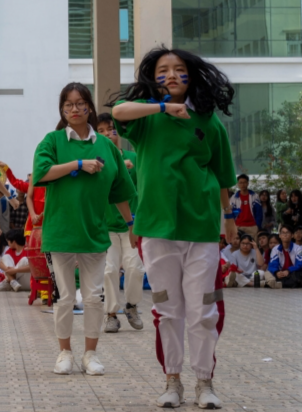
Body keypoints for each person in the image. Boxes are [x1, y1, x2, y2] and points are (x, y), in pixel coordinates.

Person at [112, 47, 238, 409]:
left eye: (179, 69)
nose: (171, 75)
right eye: (163, 70)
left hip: (201, 229)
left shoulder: (209, 122)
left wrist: (228, 216)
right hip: (156, 228)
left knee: (204, 310)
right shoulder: (147, 119)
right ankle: (172, 381)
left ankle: (204, 382)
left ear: (191, 76)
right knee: (168, 310)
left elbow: (222, 174)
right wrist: (164, 106)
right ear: (154, 78)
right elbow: (119, 111)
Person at [36, 82, 136, 377]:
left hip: (94, 233)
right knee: (65, 297)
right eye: (68, 105)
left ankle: (90, 354)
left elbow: (120, 192)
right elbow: (42, 173)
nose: (75, 109)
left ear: (89, 107)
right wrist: (78, 163)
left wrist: (131, 225)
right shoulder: (52, 141)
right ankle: (64, 352)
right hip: (60, 232)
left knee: (93, 298)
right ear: (62, 110)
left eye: (80, 104)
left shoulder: (106, 146)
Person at [96, 113, 145, 334]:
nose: (108, 134)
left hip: (132, 227)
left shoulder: (134, 158)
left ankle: (132, 306)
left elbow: (144, 188)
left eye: (112, 129)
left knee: (135, 268)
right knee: (109, 271)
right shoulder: (95, 161)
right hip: (105, 228)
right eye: (102, 130)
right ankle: (111, 315)